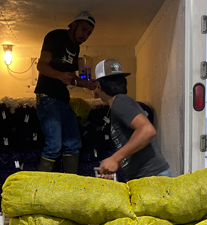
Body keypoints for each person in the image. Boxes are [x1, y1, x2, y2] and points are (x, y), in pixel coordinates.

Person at [35, 12, 97, 174]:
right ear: (73, 25)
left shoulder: (75, 47)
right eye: (84, 30)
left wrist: (85, 83)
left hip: (63, 99)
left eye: (89, 33)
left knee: (74, 143)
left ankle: (70, 187)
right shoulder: (55, 37)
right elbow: (41, 66)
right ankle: (41, 189)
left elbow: (70, 77)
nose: (86, 36)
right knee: (54, 145)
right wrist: (60, 75)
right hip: (47, 97)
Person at [94, 58, 172, 180]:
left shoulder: (120, 102)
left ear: (99, 86)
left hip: (152, 177)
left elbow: (147, 130)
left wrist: (115, 158)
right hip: (146, 178)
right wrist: (115, 164)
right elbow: (132, 145)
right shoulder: (118, 105)